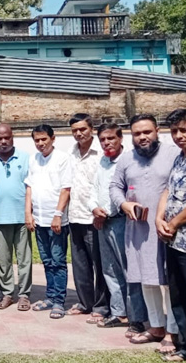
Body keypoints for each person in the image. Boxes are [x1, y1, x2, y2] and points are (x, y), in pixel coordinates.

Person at [110, 114, 179, 351]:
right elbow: (115, 186)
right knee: (146, 278)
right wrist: (124, 205)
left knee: (168, 280)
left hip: (168, 228)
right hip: (138, 229)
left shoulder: (172, 154)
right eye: (137, 133)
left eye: (147, 132)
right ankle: (156, 326)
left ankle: (172, 330)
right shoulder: (126, 159)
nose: (143, 137)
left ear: (157, 131)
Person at [89, 124, 144, 330]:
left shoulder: (130, 160)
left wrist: (108, 212)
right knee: (110, 270)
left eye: (111, 138)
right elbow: (94, 190)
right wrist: (94, 208)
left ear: (121, 138)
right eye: (103, 139)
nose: (107, 143)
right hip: (103, 222)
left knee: (129, 270)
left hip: (123, 221)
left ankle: (136, 316)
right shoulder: (102, 161)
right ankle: (119, 312)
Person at [156, 108, 186, 362]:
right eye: (174, 131)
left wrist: (173, 223)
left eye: (184, 130)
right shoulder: (179, 158)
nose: (179, 135)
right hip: (173, 241)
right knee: (179, 295)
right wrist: (159, 219)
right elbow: (167, 191)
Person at [25, 125, 73, 319]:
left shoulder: (62, 159)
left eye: (44, 139)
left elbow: (66, 189)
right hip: (39, 220)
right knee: (46, 260)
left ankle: (60, 302)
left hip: (56, 220)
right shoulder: (33, 159)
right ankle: (50, 297)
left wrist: (58, 214)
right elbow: (29, 187)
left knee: (58, 260)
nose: (40, 143)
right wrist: (28, 213)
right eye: (37, 140)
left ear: (53, 139)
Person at [67, 114, 110, 322]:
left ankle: (101, 306)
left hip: (94, 218)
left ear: (91, 128)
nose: (79, 133)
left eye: (82, 129)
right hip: (74, 216)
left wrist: (101, 211)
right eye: (75, 130)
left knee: (99, 265)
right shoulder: (71, 153)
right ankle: (85, 303)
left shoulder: (101, 153)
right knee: (80, 264)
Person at [0, 124, 32, 311]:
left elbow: (31, 186)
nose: (3, 141)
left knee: (25, 258)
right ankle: (7, 293)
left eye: (7, 137)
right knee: (3, 258)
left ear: (13, 137)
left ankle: (24, 295)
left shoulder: (25, 158)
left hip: (22, 216)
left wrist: (29, 212)